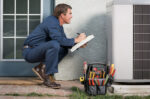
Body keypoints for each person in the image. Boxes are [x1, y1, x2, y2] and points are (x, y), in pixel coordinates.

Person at [22, 3, 87, 89]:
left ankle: (41, 68)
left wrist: (79, 44)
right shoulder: (51, 21)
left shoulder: (58, 25)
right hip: (30, 52)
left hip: (38, 49)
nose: (72, 16)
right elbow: (59, 40)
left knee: (63, 49)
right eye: (70, 13)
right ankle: (47, 77)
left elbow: (64, 42)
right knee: (54, 44)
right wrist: (76, 40)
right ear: (62, 15)